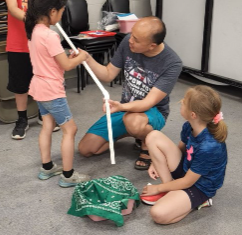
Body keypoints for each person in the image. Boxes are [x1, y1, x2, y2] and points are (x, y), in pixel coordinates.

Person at [78, 16, 183, 169]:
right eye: (132, 34)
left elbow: (148, 103)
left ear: (152, 46)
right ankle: (132, 133)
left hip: (153, 112)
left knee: (133, 122)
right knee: (86, 149)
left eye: (137, 40)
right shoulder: (128, 42)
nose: (130, 41)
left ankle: (147, 143)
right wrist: (87, 59)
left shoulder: (172, 63)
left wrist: (120, 107)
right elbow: (108, 74)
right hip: (127, 109)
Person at [25, 0, 91, 187]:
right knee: (70, 130)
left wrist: (67, 56)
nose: (61, 16)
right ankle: (68, 175)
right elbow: (67, 65)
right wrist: (82, 57)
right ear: (52, 11)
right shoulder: (50, 35)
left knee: (47, 126)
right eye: (62, 12)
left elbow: (52, 59)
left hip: (38, 87)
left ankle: (47, 168)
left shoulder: (35, 31)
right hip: (52, 91)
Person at [140, 85, 228, 224]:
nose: (181, 101)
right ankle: (171, 190)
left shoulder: (209, 146)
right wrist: (155, 162)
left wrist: (157, 188)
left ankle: (200, 201)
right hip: (188, 170)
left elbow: (188, 182)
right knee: (153, 136)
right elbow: (180, 150)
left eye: (184, 101)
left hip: (199, 187)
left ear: (193, 114)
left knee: (158, 214)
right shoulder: (190, 125)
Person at [1, 0, 58, 140]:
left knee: (43, 79)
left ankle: (44, 115)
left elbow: (50, 6)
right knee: (20, 83)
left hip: (41, 42)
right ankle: (22, 119)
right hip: (18, 42)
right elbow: (12, 7)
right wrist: (33, 20)